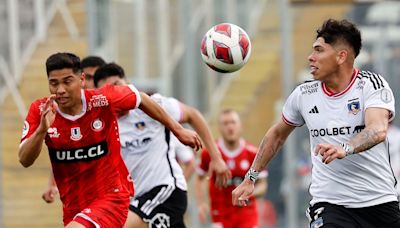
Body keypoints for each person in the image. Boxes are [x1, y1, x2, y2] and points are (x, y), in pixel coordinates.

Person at [232, 19, 400, 227]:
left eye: (319, 50)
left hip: (378, 201)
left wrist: (345, 148)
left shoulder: (370, 85)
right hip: (330, 203)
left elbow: (378, 129)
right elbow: (277, 135)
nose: (311, 57)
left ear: (341, 56)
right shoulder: (304, 94)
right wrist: (251, 177)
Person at [18, 52, 204, 227]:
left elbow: (141, 98)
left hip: (112, 197)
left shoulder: (102, 99)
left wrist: (178, 130)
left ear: (81, 79)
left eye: (67, 82)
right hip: (74, 206)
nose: (60, 90)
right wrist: (41, 131)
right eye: (54, 83)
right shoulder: (41, 110)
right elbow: (25, 159)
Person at [92, 63, 231, 228]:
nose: (116, 93)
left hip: (166, 191)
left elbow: (192, 115)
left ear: (127, 83)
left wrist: (216, 158)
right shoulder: (102, 125)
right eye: (109, 90)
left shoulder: (150, 105)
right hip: (137, 199)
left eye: (117, 85)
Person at [196, 109, 267, 228]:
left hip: (246, 215)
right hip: (220, 215)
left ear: (241, 126)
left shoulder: (252, 154)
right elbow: (200, 178)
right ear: (219, 128)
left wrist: (249, 193)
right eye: (225, 123)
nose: (230, 127)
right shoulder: (210, 154)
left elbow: (262, 184)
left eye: (233, 122)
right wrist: (201, 203)